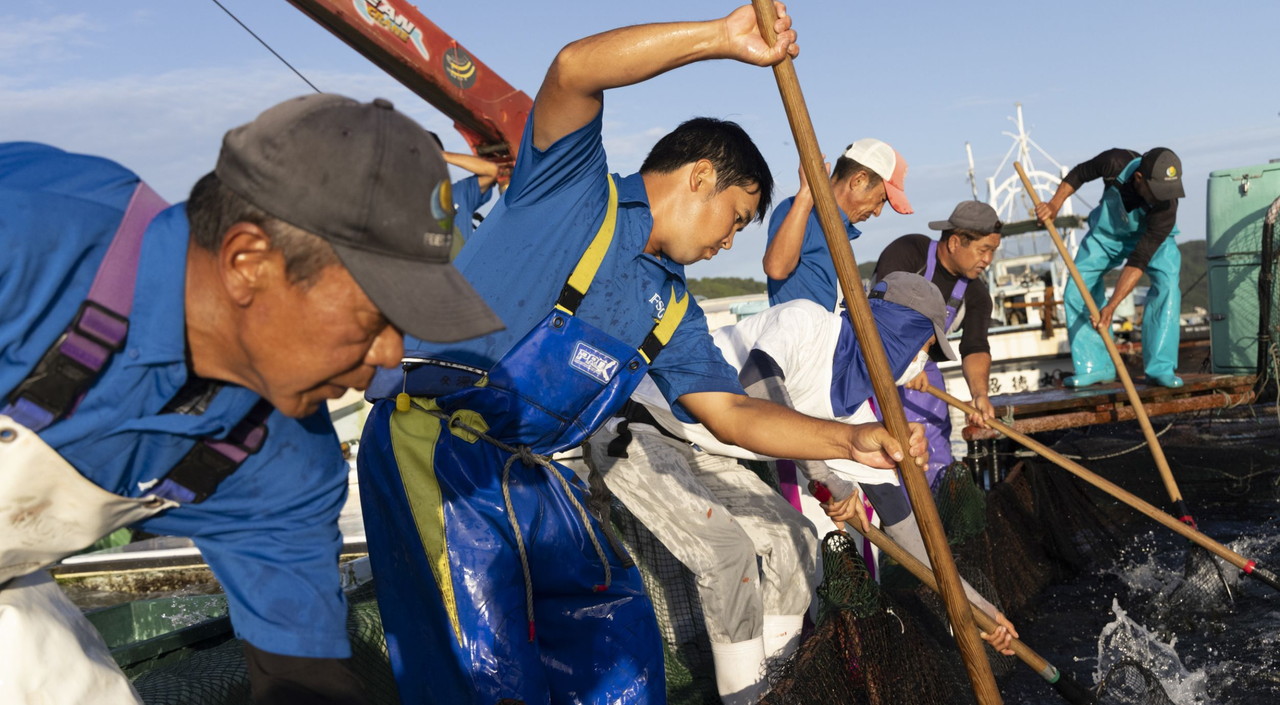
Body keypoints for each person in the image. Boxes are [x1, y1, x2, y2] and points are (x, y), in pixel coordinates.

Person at [354, 6, 926, 704]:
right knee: (488, 674)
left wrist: (850, 439)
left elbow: (732, 413)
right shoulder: (571, 187)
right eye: (736, 219)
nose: (729, 243)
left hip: (530, 472)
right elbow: (573, 70)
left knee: (618, 640)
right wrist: (720, 38)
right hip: (437, 450)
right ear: (699, 177)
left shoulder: (672, 305)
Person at [0, 94, 501, 704]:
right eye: (376, 317)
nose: (391, 356)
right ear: (247, 262)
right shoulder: (30, 236)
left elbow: (302, 680)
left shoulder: (283, 460)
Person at [585, 272, 1017, 703]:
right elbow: (759, 384)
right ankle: (746, 700)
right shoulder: (807, 321)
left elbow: (908, 530)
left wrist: (975, 607)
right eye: (925, 348)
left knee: (797, 540)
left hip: (701, 449)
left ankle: (775, 687)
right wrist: (827, 476)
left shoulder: (854, 418)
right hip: (636, 424)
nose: (922, 363)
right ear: (900, 329)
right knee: (727, 555)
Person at [874, 201, 1002, 487]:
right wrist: (909, 360)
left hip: (925, 374)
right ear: (955, 242)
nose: (988, 260)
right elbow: (883, 309)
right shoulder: (909, 252)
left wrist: (979, 395)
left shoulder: (977, 294)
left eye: (993, 251)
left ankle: (937, 503)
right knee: (886, 453)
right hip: (876, 360)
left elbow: (975, 347)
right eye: (983, 250)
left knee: (933, 455)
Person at [1036, 147, 1187, 388]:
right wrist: (1054, 204)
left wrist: (1112, 306)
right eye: (1156, 191)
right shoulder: (1114, 162)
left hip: (1150, 240)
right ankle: (1096, 366)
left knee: (1167, 285)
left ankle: (1160, 368)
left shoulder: (1166, 206)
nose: (1162, 198)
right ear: (1139, 178)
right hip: (1107, 236)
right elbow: (1079, 174)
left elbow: (1139, 260)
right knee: (1076, 290)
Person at [763, 138, 912, 309]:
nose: (878, 212)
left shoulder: (842, 232)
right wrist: (805, 196)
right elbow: (776, 268)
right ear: (859, 180)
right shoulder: (798, 210)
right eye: (881, 199)